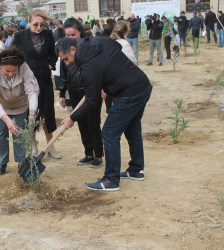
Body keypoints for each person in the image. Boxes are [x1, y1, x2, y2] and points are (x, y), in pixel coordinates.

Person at [56, 37, 152, 191]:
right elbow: (116, 49)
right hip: (142, 85)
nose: (67, 63)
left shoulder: (87, 66)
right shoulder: (98, 41)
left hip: (129, 93)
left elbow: (92, 101)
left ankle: (111, 179)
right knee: (132, 129)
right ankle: (136, 170)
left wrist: (72, 118)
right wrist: (106, 84)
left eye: (66, 58)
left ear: (73, 49)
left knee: (109, 133)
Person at [12, 10, 61, 159]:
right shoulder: (20, 36)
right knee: (31, 114)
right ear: (29, 23)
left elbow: (54, 54)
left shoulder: (47, 35)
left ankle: (50, 145)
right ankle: (33, 146)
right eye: (35, 24)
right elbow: (13, 54)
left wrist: (51, 66)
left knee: (47, 113)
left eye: (42, 24)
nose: (39, 27)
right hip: (27, 82)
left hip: (45, 80)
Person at [0, 48, 39, 174]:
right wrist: (6, 120)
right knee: (1, 132)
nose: (10, 74)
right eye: (7, 71)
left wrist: (32, 114)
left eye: (14, 70)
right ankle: (2, 162)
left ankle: (21, 162)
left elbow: (32, 91)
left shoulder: (24, 67)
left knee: (19, 133)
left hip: (20, 105)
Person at [59, 17, 104, 168]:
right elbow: (63, 76)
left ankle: (98, 155)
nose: (71, 38)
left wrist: (102, 88)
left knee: (93, 123)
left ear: (80, 33)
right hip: (74, 92)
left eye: (74, 35)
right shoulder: (63, 51)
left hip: (90, 91)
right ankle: (88, 153)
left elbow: (100, 70)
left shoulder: (89, 47)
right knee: (81, 123)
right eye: (68, 35)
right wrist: (61, 94)